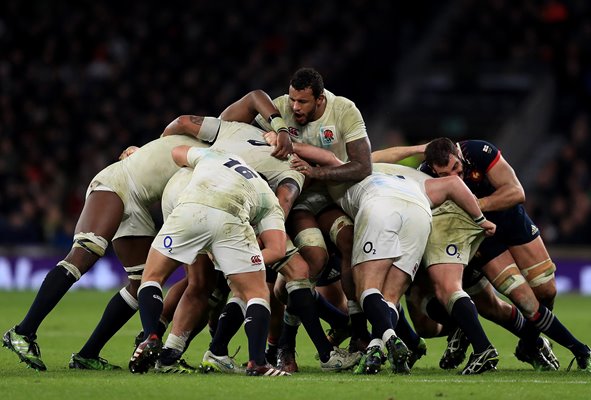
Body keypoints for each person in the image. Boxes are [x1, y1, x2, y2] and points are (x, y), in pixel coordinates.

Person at [2, 133, 207, 372]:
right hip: (119, 183)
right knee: (85, 254)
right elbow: (181, 123)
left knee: (142, 282)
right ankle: (22, 332)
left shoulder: (216, 155)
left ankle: (88, 355)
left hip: (141, 203)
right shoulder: (214, 138)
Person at [286, 141, 494, 375]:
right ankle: (376, 348)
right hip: (419, 213)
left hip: (380, 206)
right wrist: (481, 220)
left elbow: (321, 155)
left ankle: (391, 338)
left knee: (367, 290)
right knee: (391, 297)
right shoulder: (418, 177)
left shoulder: (347, 170)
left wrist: (285, 142)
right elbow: (455, 184)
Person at [422, 137, 591, 372]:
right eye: (445, 174)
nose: (455, 177)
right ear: (433, 170)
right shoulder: (424, 176)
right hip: (482, 236)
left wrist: (476, 204)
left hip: (511, 220)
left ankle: (529, 344)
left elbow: (516, 192)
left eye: (456, 167)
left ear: (458, 153)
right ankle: (578, 349)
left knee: (547, 290)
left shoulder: (478, 151)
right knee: (524, 300)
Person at [129, 146, 290, 377]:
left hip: (191, 204)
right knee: (256, 292)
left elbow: (176, 152)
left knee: (154, 276)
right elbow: (277, 249)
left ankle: (150, 336)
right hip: (232, 217)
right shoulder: (268, 198)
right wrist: (242, 263)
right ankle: (257, 363)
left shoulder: (219, 155)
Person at [254, 67, 373, 370]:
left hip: (332, 198)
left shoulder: (344, 110)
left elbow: (362, 166)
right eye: (293, 99)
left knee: (350, 241)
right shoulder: (279, 109)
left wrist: (318, 173)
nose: (294, 107)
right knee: (313, 263)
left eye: (303, 102)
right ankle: (286, 347)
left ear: (320, 100)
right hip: (296, 203)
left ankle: (359, 331)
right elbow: (235, 122)